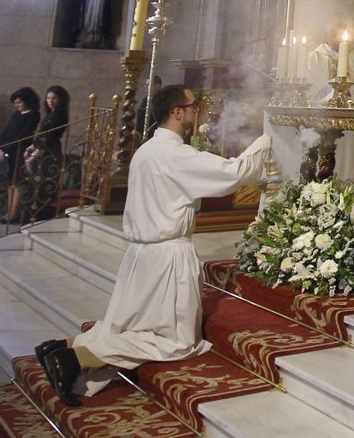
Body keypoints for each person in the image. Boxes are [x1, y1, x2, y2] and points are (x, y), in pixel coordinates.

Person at [35, 84, 271, 405]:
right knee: (177, 342)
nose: (195, 111)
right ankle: (75, 360)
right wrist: (268, 138)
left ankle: (64, 346)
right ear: (177, 112)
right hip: (168, 256)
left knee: (132, 324)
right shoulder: (176, 154)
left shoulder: (146, 150)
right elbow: (235, 172)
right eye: (192, 106)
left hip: (140, 256)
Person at [17, 85, 70, 223]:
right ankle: (30, 219)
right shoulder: (49, 115)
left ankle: (39, 220)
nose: (50, 101)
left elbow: (49, 137)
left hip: (49, 153)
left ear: (60, 100)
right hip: (42, 151)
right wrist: (30, 148)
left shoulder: (59, 115)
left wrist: (33, 156)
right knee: (33, 188)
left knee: (41, 188)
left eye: (54, 98)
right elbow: (40, 136)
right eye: (48, 98)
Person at [0, 87, 40, 223]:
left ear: (27, 101)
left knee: (18, 182)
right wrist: (0, 148)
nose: (17, 105)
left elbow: (24, 134)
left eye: (19, 102)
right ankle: (8, 212)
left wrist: (7, 148)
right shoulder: (16, 114)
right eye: (15, 103)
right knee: (11, 183)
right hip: (9, 151)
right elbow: (6, 131)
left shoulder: (33, 114)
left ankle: (14, 213)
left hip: (20, 151)